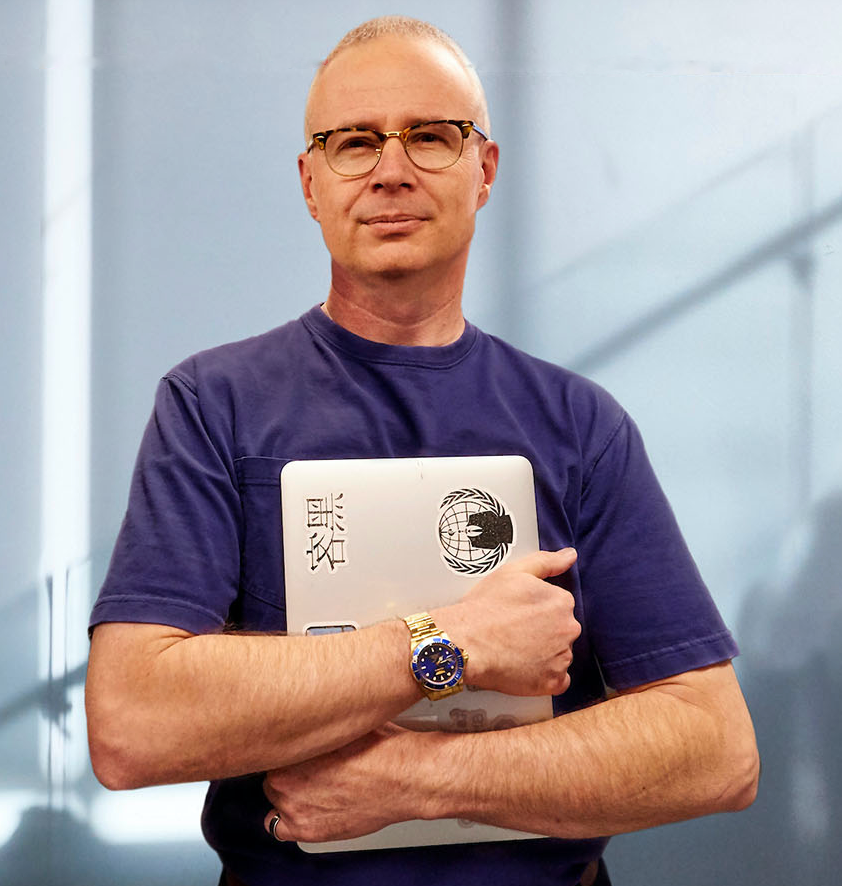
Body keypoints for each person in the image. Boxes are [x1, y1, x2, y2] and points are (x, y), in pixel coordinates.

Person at [85, 16, 759, 886]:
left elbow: (716, 750)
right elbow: (132, 726)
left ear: (484, 170)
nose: (391, 170)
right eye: (353, 142)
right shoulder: (214, 408)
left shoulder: (580, 427)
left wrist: (414, 779)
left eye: (431, 137)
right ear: (311, 182)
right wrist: (450, 644)